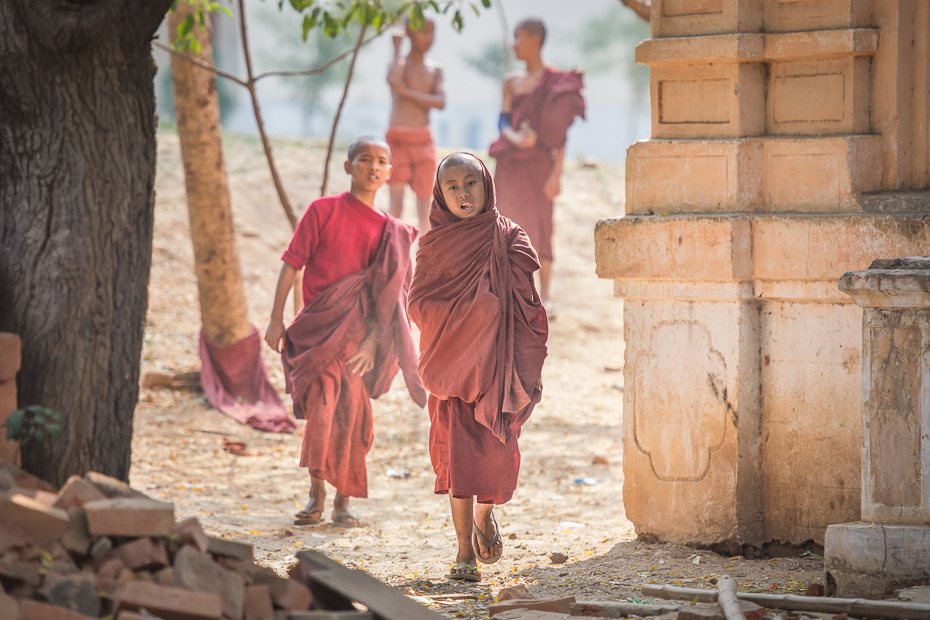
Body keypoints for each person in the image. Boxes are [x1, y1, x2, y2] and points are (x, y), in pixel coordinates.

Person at [265, 136, 426, 528]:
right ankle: (315, 494)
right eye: (365, 159)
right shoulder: (323, 211)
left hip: (357, 340)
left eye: (382, 161)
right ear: (348, 166)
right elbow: (292, 264)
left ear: (389, 173)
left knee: (353, 417)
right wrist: (274, 318)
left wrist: (372, 343)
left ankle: (343, 501)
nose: (373, 167)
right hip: (318, 330)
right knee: (321, 412)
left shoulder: (392, 232)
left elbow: (387, 297)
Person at [408, 152, 548, 582]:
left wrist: (490, 314)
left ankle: (485, 516)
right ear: (440, 194)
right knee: (458, 462)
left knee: (495, 457)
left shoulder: (509, 237)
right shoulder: (433, 245)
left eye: (471, 182)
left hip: (497, 371)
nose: (463, 193)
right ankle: (463, 551)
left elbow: (529, 305)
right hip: (454, 369)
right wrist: (470, 316)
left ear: (486, 184)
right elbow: (417, 304)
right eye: (452, 186)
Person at [489, 17, 585, 306]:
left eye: (518, 37)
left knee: (542, 226)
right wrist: (515, 138)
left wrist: (557, 175)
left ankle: (544, 297)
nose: (514, 44)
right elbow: (503, 120)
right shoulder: (512, 81)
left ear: (534, 39)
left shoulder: (555, 82)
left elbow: (562, 134)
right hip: (511, 163)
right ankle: (508, 292)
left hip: (540, 166)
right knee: (505, 223)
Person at [386, 16, 445, 233]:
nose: (428, 38)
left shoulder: (435, 70)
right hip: (397, 139)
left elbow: (440, 102)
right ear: (409, 33)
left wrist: (406, 92)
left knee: (426, 207)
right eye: (423, 31)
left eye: (432, 32)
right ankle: (391, 257)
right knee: (396, 203)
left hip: (423, 140)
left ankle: (426, 260)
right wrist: (396, 48)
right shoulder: (399, 64)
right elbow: (393, 81)